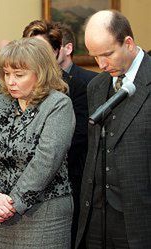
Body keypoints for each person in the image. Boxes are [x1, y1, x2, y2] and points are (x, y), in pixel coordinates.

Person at [0, 37, 74, 249]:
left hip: (44, 213)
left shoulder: (57, 104)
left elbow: (46, 162)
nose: (10, 81)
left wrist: (11, 205)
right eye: (7, 74)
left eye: (19, 75)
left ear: (41, 73)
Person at [76, 10, 151, 248]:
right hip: (96, 214)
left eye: (107, 54)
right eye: (94, 56)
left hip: (140, 215)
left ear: (128, 43)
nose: (101, 64)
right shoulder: (96, 86)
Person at [22, 20, 88, 247]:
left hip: (64, 183)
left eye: (41, 50)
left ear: (57, 51)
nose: (35, 56)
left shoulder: (76, 87)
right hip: (21, 186)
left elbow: (77, 137)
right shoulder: (17, 87)